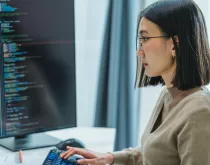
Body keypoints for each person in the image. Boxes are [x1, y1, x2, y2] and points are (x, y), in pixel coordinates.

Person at [60, 0, 210, 164]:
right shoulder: (169, 95)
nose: (139, 51)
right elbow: (154, 154)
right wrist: (109, 158)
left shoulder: (199, 112)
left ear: (175, 44)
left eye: (145, 39)